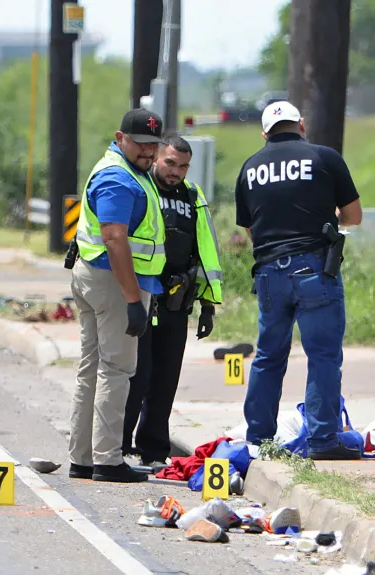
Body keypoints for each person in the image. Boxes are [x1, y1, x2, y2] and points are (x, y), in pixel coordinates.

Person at [234, 101, 363, 461]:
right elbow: (353, 216)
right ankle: (324, 439)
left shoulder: (249, 168)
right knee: (322, 355)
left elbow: (251, 229)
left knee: (268, 357)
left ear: (265, 134)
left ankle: (258, 440)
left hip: (268, 271)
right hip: (314, 268)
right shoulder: (324, 158)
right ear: (301, 125)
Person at [66, 109, 167, 483]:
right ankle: (107, 460)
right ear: (120, 137)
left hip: (98, 277)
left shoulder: (127, 171)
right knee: (117, 369)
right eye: (140, 143)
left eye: (154, 145)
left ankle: (83, 457)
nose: (147, 151)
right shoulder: (118, 179)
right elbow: (113, 238)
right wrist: (131, 299)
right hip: (114, 282)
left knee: (92, 368)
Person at [122, 134, 223, 468]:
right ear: (156, 158)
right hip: (141, 292)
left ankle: (153, 450)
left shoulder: (192, 196)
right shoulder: (141, 188)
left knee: (165, 378)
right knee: (137, 374)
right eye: (170, 163)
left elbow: (205, 250)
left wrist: (208, 304)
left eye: (183, 166)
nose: (175, 171)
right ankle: (118, 445)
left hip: (177, 300)